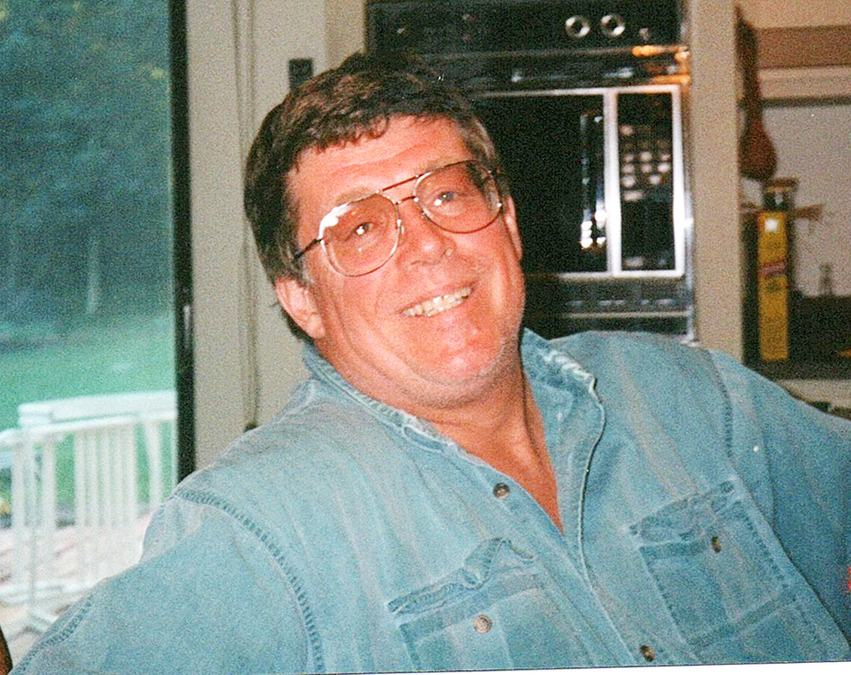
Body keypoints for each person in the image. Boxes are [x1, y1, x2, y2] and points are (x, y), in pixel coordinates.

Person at [12, 53, 851, 674]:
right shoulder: (259, 528)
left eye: (446, 193)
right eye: (359, 228)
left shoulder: (692, 397)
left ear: (507, 222)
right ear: (301, 299)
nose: (426, 245)